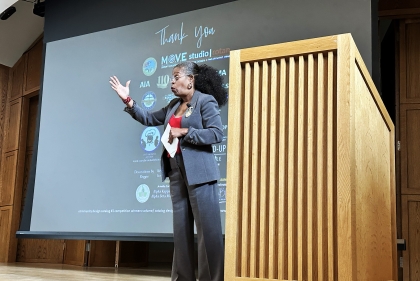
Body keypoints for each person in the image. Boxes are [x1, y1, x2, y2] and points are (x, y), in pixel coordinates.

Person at [109, 61, 228, 281]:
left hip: (200, 175)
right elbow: (148, 118)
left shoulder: (205, 101)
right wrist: (127, 99)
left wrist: (185, 131)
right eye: (171, 78)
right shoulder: (173, 105)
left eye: (176, 77)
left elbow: (216, 134)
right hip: (176, 173)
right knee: (181, 232)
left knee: (207, 233)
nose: (171, 82)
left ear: (191, 80)